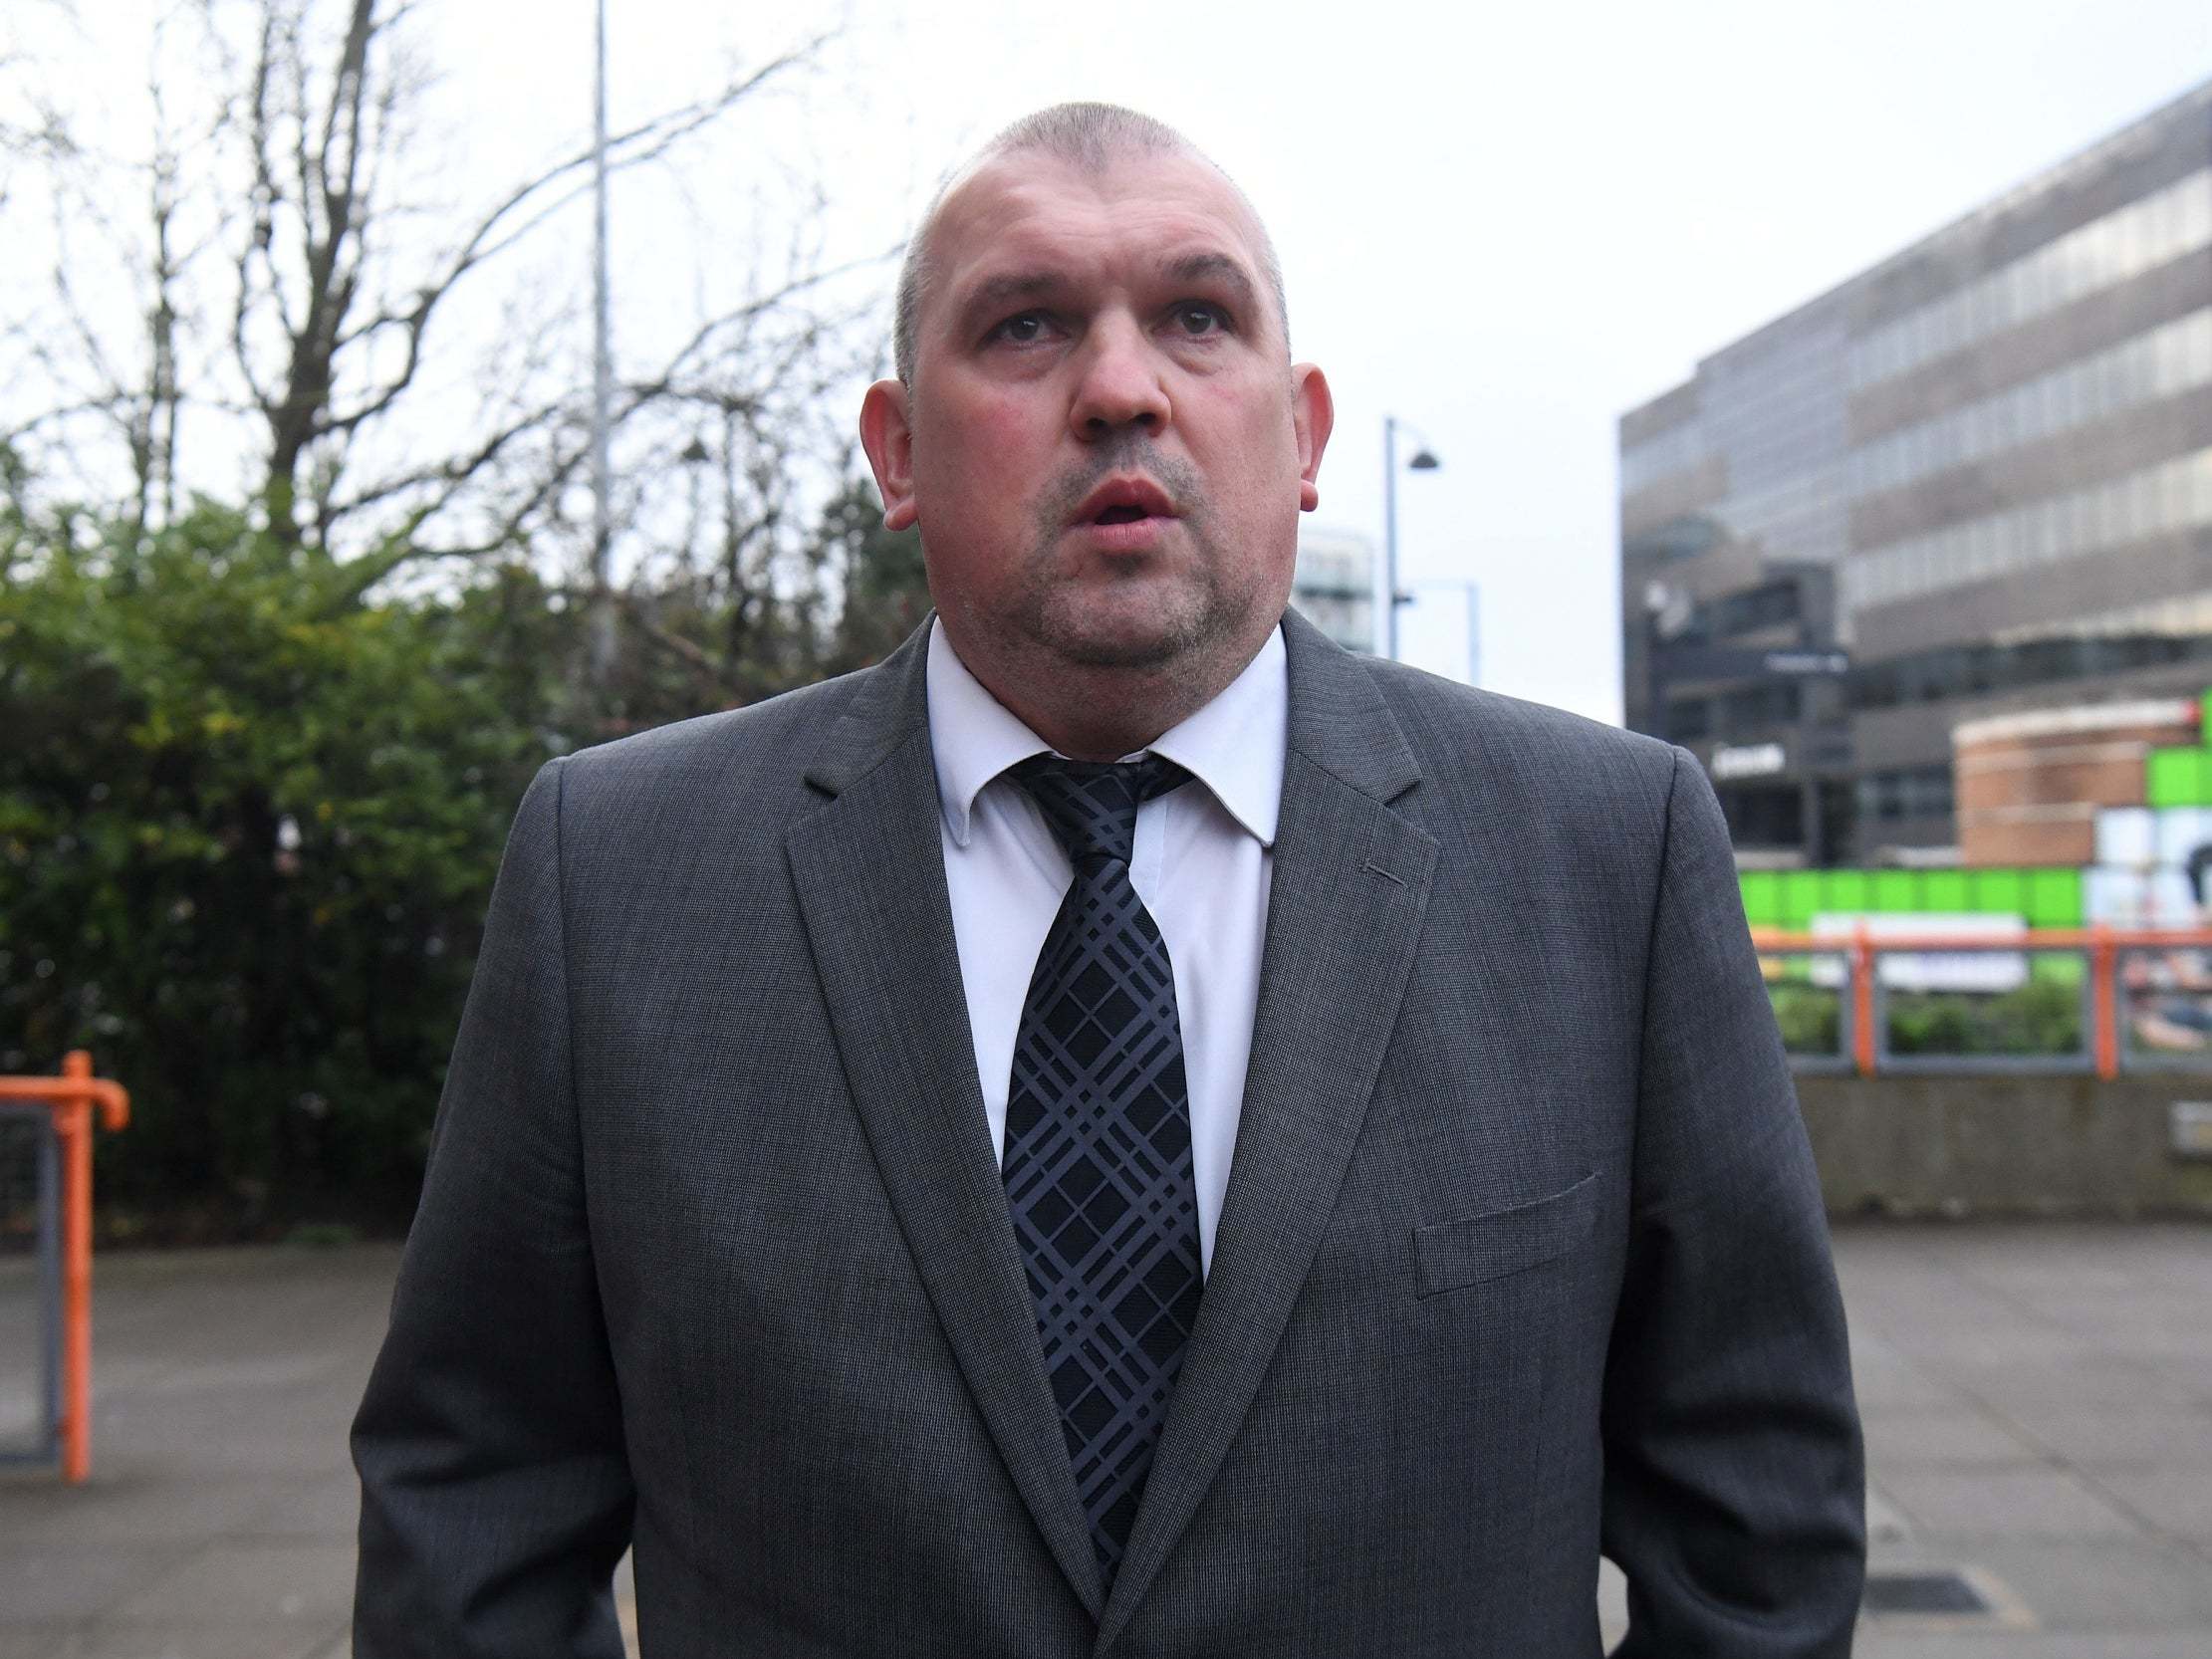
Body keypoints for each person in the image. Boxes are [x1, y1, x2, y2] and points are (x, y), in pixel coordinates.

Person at [353, 103, 1864, 1657]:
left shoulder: (1604, 853)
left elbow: (1754, 1528)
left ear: (1304, 436)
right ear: (896, 452)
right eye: (1024, 325)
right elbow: (473, 1508)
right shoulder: (617, 872)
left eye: (1198, 317)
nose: (1121, 389)